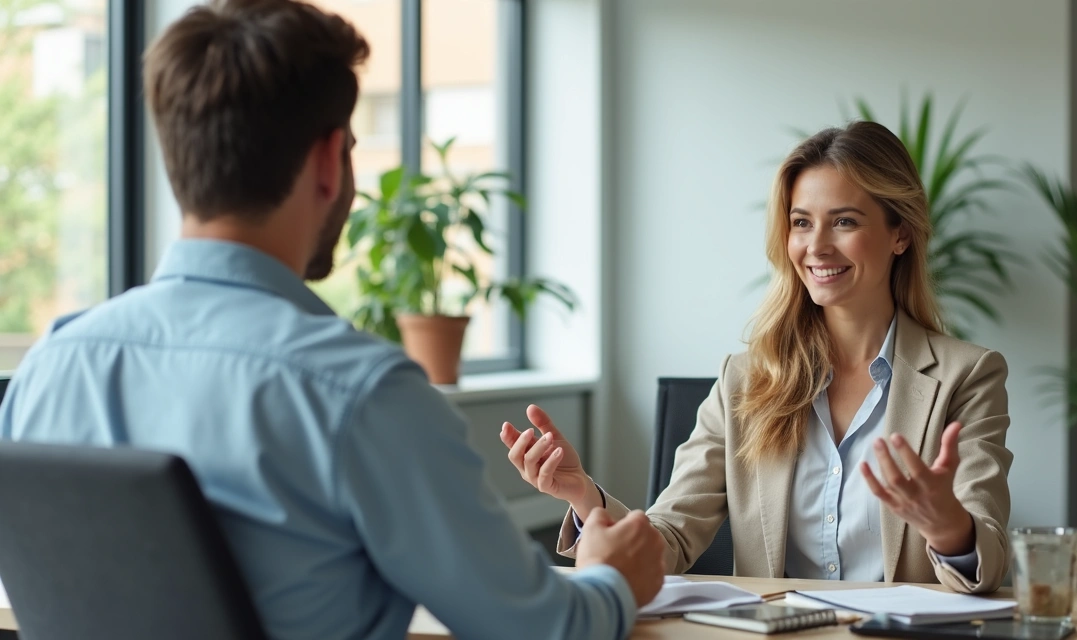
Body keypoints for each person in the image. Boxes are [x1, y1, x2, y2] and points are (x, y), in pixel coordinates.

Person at [0, 1, 665, 638]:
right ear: (327, 161)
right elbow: (540, 627)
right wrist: (613, 576)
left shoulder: (49, 369)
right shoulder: (362, 393)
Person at [502, 121, 1014, 594]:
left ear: (900, 233)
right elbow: (669, 541)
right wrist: (583, 497)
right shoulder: (744, 381)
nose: (817, 247)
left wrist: (947, 524)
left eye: (844, 222)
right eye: (801, 222)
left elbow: (987, 566)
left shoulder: (964, 376)